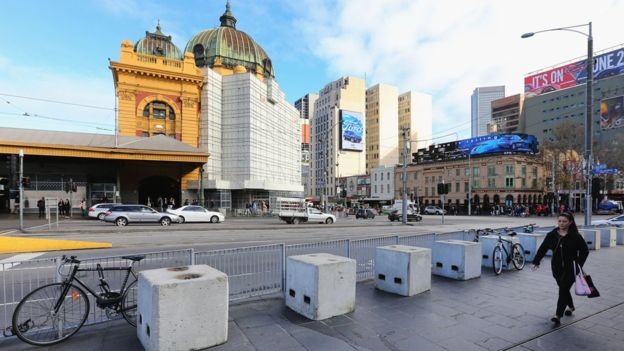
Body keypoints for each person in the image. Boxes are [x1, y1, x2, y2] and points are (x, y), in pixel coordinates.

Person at [531, 212, 589, 325]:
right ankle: (571, 306)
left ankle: (558, 315)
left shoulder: (575, 236)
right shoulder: (552, 235)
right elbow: (543, 248)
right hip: (556, 267)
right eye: (559, 221)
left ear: (570, 222)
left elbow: (585, 251)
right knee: (564, 289)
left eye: (564, 221)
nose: (561, 223)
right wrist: (536, 261)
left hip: (571, 268)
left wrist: (578, 264)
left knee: (562, 289)